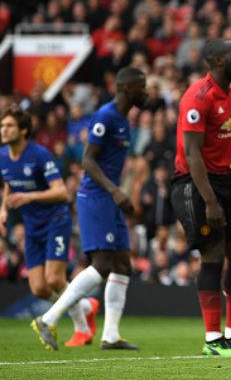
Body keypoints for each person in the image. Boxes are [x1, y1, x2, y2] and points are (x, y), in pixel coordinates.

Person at [32, 67, 147, 351]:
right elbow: (88, 160)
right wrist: (114, 190)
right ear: (129, 88)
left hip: (110, 198)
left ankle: (110, 335)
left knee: (122, 264)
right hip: (96, 196)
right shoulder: (105, 116)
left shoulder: (123, 121)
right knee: (104, 263)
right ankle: (49, 318)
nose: (146, 92)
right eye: (142, 87)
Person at [170, 38, 231, 357]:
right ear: (214, 61)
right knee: (213, 254)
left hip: (225, 180)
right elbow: (192, 153)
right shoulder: (198, 97)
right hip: (193, 182)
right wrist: (209, 201)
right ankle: (213, 340)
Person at [0, 107, 98, 349]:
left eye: (10, 126)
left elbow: (61, 192)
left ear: (23, 130)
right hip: (32, 226)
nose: (4, 130)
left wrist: (29, 197)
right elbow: (8, 184)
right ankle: (85, 306)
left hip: (55, 220)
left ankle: (82, 329)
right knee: (39, 288)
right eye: (2, 126)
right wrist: (3, 209)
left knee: (55, 278)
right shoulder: (2, 155)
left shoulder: (39, 154)